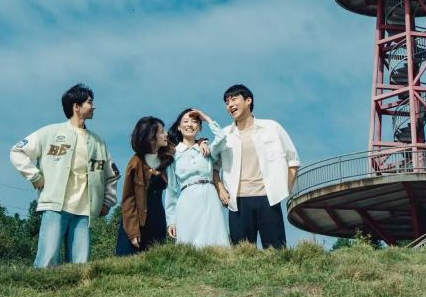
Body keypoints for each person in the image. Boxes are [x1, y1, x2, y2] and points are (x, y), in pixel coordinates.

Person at [10, 83, 119, 268]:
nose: (94, 106)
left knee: (80, 266)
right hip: (55, 206)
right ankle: (42, 287)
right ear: (76, 106)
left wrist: (107, 201)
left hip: (84, 211)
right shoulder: (49, 132)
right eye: (89, 102)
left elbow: (112, 175)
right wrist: (35, 176)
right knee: (47, 261)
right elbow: (17, 151)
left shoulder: (98, 142)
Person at [219, 84, 300, 248]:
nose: (230, 105)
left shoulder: (272, 127)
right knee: (242, 254)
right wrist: (220, 190)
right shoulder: (224, 134)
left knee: (276, 251)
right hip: (238, 202)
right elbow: (213, 167)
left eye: (234, 99)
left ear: (248, 100)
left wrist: (284, 189)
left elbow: (293, 161)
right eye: (227, 102)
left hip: (268, 199)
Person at [165, 108, 231, 247]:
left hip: (209, 197)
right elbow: (171, 190)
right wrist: (171, 220)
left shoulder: (206, 149)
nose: (189, 124)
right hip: (187, 200)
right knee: (189, 245)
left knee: (216, 241)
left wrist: (206, 118)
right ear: (178, 127)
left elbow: (222, 137)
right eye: (185, 121)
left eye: (195, 121)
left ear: (200, 127)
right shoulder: (173, 155)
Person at [115, 116, 173, 255]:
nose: (166, 134)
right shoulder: (135, 163)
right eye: (161, 132)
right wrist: (132, 231)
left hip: (157, 220)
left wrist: (202, 141)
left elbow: (186, 142)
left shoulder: (168, 156)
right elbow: (128, 199)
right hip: (137, 222)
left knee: (155, 262)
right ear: (151, 138)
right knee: (127, 263)